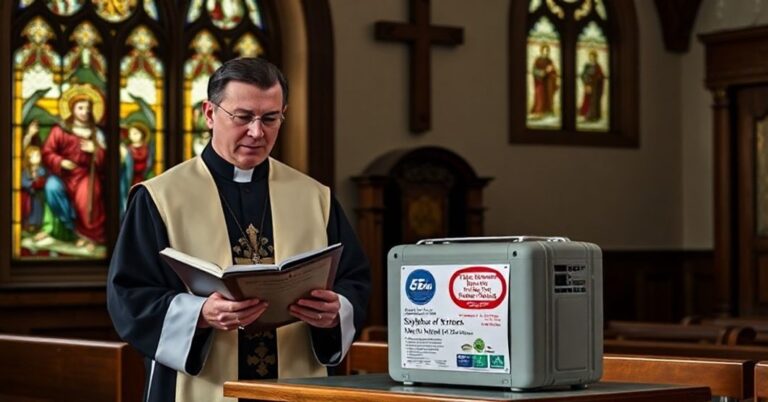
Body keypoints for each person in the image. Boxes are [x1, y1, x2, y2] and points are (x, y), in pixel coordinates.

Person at [107, 57, 371, 402]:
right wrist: (199, 314)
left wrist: (335, 311)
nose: (257, 132)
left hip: (296, 381)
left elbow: (354, 280)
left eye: (271, 118)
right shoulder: (159, 197)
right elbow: (129, 295)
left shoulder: (315, 197)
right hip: (200, 387)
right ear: (209, 114)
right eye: (243, 117)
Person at [40, 84, 106, 251]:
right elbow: (47, 152)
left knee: (88, 196)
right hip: (64, 174)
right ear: (72, 109)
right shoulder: (59, 130)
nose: (85, 112)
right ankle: (70, 228)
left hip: (85, 174)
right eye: (80, 108)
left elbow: (108, 160)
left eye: (87, 108)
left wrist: (95, 150)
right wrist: (61, 162)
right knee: (51, 187)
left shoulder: (96, 133)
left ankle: (90, 237)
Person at [530, 44, 559, 117]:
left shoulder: (549, 60)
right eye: (544, 50)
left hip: (548, 82)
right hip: (540, 82)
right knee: (540, 97)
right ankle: (539, 112)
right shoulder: (538, 60)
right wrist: (543, 72)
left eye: (547, 51)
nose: (546, 52)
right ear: (542, 51)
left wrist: (552, 71)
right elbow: (534, 70)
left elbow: (554, 71)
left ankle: (548, 111)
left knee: (548, 97)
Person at [578, 50, 605, 122]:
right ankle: (587, 116)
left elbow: (601, 76)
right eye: (591, 57)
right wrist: (587, 84)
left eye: (593, 57)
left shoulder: (598, 66)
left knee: (594, 101)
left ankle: (593, 116)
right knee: (587, 101)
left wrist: (596, 79)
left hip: (595, 87)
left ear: (595, 57)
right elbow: (583, 75)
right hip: (588, 86)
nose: (592, 58)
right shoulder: (587, 66)